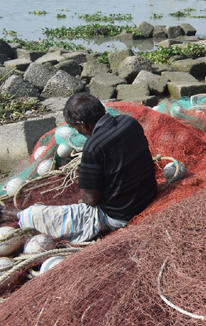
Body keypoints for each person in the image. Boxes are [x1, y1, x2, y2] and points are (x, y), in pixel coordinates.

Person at [1, 93, 158, 242]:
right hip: (148, 194)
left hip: (121, 214)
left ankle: (19, 215)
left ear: (82, 124)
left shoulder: (93, 146)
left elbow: (91, 199)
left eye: (75, 128)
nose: (78, 132)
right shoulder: (129, 122)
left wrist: (84, 199)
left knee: (56, 214)